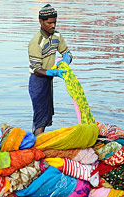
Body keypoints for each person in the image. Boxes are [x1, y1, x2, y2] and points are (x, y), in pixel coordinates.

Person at [28, 4, 73, 136]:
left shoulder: (57, 37)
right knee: (40, 115)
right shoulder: (36, 42)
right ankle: (38, 145)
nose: (53, 26)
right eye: (49, 23)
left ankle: (38, 141)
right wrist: (52, 72)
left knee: (47, 114)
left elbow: (67, 52)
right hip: (37, 81)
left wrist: (66, 59)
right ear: (41, 22)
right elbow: (36, 69)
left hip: (48, 81)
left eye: (55, 22)